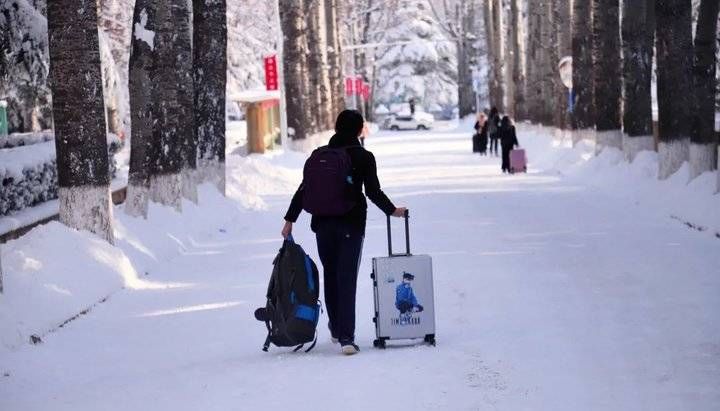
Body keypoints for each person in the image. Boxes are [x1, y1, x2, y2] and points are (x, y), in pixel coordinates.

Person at [282, 110, 407, 355]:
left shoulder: (320, 155)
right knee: (346, 277)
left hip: (322, 225)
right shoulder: (363, 156)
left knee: (330, 275)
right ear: (360, 130)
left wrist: (290, 219)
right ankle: (347, 339)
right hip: (351, 224)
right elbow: (372, 191)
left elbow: (304, 188)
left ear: (337, 128)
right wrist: (392, 210)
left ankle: (338, 329)